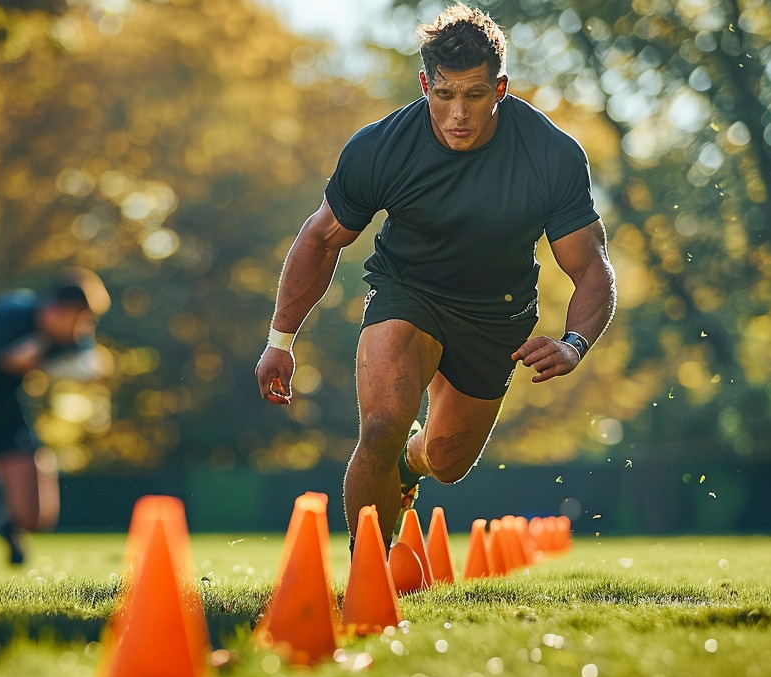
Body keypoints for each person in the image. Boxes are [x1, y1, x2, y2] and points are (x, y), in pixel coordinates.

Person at [254, 3, 615, 549]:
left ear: (501, 87)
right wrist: (280, 340)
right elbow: (321, 239)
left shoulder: (551, 153)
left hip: (497, 312)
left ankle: (409, 461)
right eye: (444, 95)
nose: (458, 114)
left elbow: (590, 266)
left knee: (446, 462)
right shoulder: (381, 147)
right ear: (425, 83)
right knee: (379, 428)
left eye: (475, 94)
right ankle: (369, 577)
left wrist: (574, 343)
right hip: (409, 291)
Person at [0, 268, 111, 564]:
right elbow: (9, 361)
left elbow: (98, 367)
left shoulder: (70, 334)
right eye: (81, 319)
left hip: (7, 414)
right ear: (59, 311)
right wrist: (45, 350)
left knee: (36, 517)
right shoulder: (11, 318)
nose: (85, 329)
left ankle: (9, 526)